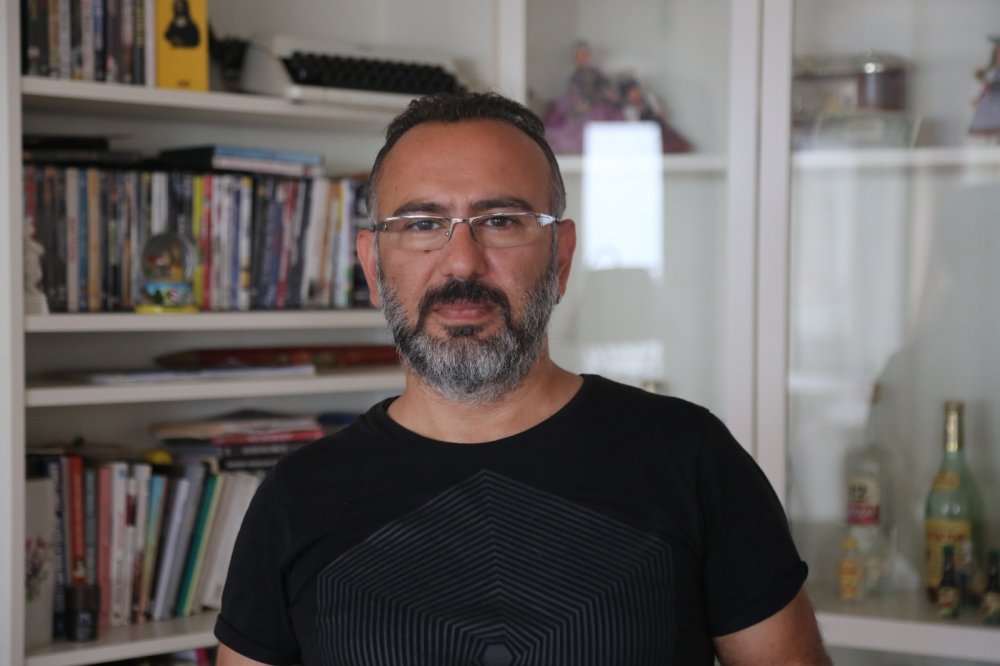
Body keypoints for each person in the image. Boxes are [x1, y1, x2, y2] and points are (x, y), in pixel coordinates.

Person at [215, 91, 832, 665]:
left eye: (502, 220)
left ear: (560, 258)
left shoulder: (690, 456)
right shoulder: (296, 499)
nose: (462, 262)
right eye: (422, 224)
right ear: (373, 269)